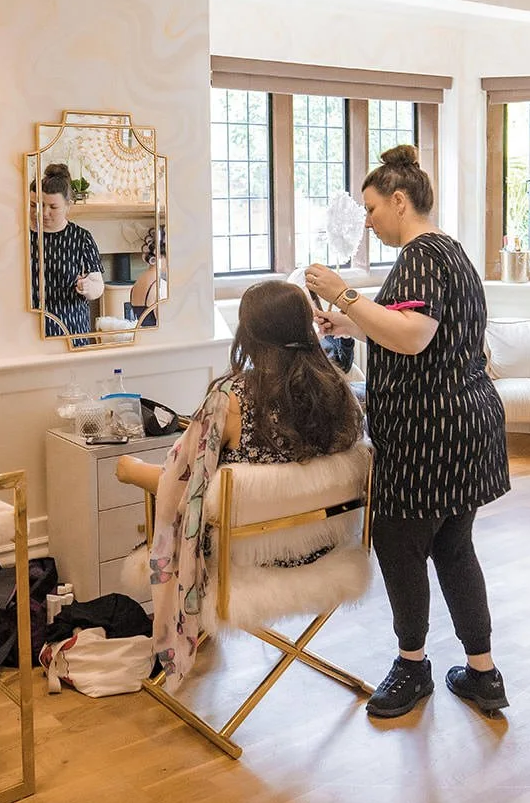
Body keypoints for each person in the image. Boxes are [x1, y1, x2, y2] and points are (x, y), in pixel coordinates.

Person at [306, 145, 510, 720]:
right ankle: (483, 673)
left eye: (372, 208)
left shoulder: (421, 256)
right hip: (467, 425)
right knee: (453, 547)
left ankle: (412, 665)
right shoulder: (452, 253)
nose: (367, 220)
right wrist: (351, 321)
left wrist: (342, 293)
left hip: (429, 435)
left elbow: (413, 338)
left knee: (399, 548)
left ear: (400, 200)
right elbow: (419, 329)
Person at [114, 281, 364, 690]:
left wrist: (133, 469)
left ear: (247, 332)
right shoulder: (340, 391)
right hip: (325, 550)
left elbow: (184, 486)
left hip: (245, 566)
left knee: (151, 485)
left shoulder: (230, 399)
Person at [29, 163, 104, 338]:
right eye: (35, 205)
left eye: (53, 207)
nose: (43, 213)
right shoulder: (20, 237)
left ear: (68, 206)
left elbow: (98, 287)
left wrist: (87, 287)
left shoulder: (81, 238)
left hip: (70, 330)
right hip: (28, 333)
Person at [127, 225, 166, 327]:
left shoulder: (138, 282)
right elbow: (166, 325)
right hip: (158, 340)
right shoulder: (160, 285)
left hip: (143, 338)